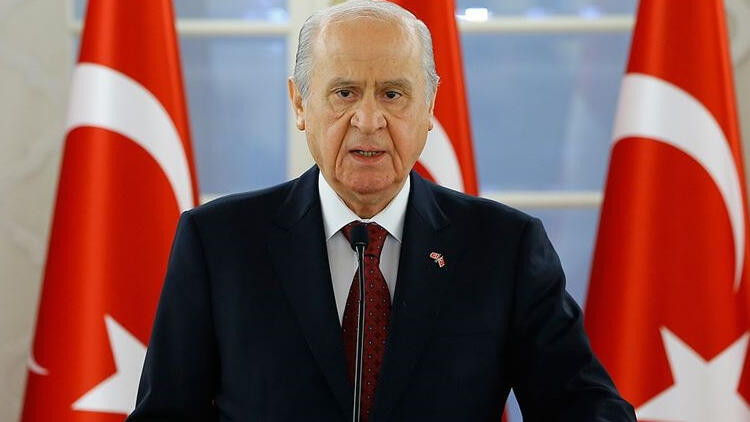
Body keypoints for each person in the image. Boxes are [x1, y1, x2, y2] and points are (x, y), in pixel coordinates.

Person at [127, 1, 636, 421]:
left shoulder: (504, 248)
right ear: (300, 104)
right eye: (344, 93)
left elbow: (587, 409)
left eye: (393, 94)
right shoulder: (218, 243)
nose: (368, 120)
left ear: (429, 105)